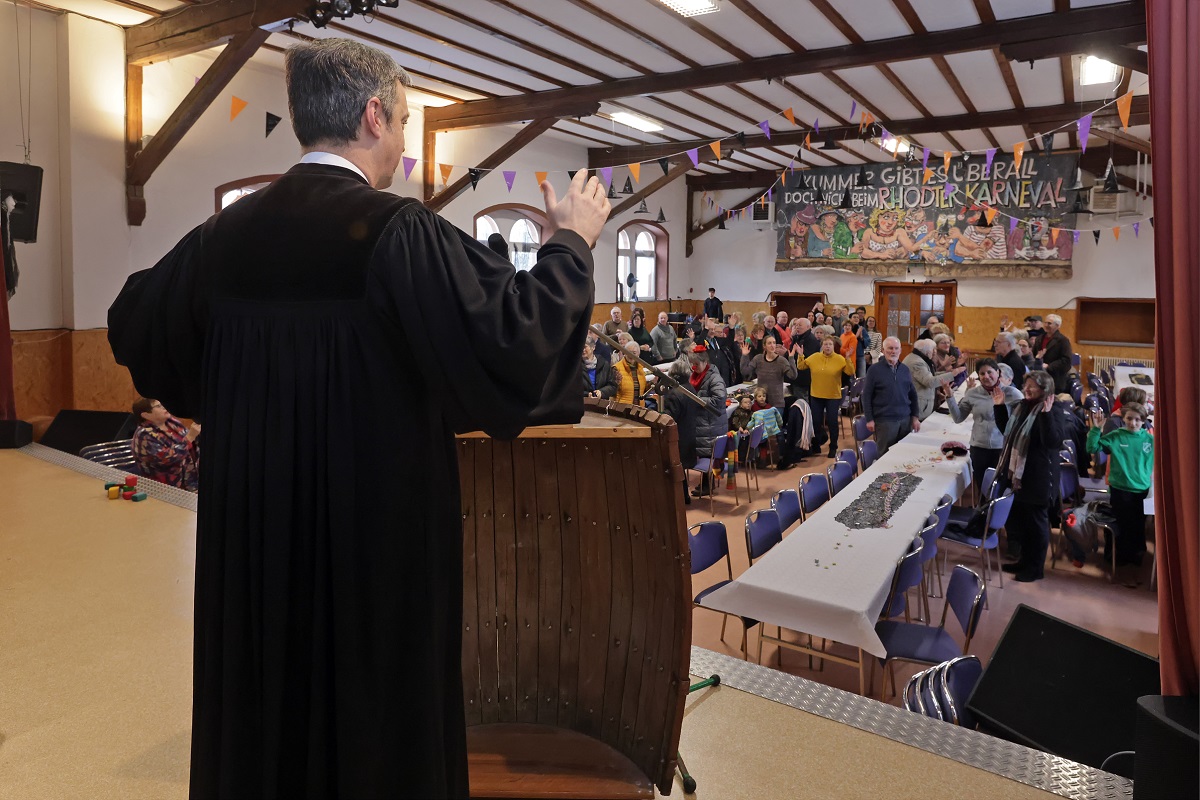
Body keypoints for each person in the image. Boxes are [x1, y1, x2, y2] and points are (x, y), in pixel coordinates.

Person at [107, 38, 611, 799]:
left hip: (256, 538)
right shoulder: (399, 233)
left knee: (264, 692)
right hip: (378, 543)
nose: (404, 142)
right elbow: (515, 338)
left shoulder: (224, 238)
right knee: (377, 712)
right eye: (405, 122)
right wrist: (571, 243)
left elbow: (137, 323)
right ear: (374, 116)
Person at [994, 371, 1066, 583]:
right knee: (1024, 523)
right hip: (1019, 476)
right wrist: (999, 407)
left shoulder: (1054, 409)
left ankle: (1035, 569)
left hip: (1039, 478)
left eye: (1033, 386)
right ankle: (1024, 561)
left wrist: (1046, 415)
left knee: (1036, 525)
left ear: (1045, 389)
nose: (1027, 389)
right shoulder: (1022, 406)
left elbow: (1052, 441)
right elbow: (1009, 433)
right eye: (1026, 385)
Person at [1086, 402, 1154, 567]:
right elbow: (1092, 447)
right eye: (1129, 418)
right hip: (1120, 488)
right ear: (1123, 418)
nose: (1133, 423)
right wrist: (1096, 429)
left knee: (1138, 525)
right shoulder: (1116, 435)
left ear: (1143, 421)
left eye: (1137, 420)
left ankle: (1135, 556)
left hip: (1141, 489)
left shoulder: (1150, 439)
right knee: (1120, 524)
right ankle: (1116, 556)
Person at [945, 359, 1022, 494]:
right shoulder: (973, 393)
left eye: (989, 372)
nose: (986, 376)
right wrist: (950, 397)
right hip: (979, 447)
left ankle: (997, 512)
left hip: (1002, 448)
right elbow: (958, 418)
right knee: (983, 487)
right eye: (982, 374)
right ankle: (984, 512)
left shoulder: (1012, 394)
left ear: (998, 373)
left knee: (1001, 487)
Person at [794, 335, 855, 457]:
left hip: (833, 395)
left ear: (834, 346)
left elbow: (850, 372)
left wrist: (848, 359)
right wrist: (800, 355)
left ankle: (833, 446)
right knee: (816, 421)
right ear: (822, 346)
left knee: (832, 422)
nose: (827, 346)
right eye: (825, 344)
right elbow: (801, 366)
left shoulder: (839, 359)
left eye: (830, 344)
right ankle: (816, 444)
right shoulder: (815, 357)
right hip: (816, 394)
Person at [861, 336, 921, 454]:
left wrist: (915, 417)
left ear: (900, 351)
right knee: (884, 455)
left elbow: (913, 394)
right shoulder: (874, 370)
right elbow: (866, 396)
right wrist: (869, 419)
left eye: (896, 348)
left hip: (905, 420)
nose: (893, 351)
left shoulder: (905, 369)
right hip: (885, 421)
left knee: (903, 454)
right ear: (883, 351)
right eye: (890, 348)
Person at [130, 397, 201, 491]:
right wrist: (190, 437)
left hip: (191, 482)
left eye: (163, 404)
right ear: (146, 415)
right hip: (165, 488)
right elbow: (168, 458)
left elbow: (193, 444)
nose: (164, 407)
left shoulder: (171, 423)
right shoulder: (144, 436)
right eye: (158, 406)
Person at [687, 346, 728, 497]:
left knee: (708, 453)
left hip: (712, 424)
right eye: (692, 364)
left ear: (705, 362)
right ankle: (706, 484)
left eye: (696, 364)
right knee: (705, 452)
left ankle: (707, 485)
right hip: (704, 423)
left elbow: (719, 399)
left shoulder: (714, 377)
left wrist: (696, 400)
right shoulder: (697, 376)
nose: (693, 367)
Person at [904, 339, 963, 420]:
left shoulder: (918, 358)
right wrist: (953, 374)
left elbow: (930, 374)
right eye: (933, 349)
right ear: (927, 351)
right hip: (918, 405)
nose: (935, 352)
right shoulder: (916, 362)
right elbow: (930, 382)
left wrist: (948, 373)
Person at [739, 336, 798, 410]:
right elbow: (745, 371)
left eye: (774, 343)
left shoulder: (782, 361)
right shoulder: (758, 359)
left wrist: (791, 358)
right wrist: (744, 355)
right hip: (761, 403)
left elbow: (793, 376)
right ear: (764, 346)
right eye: (769, 343)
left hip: (777, 403)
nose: (772, 345)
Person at [1038, 313, 1073, 394]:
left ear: (1057, 326)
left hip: (1055, 379)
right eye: (1045, 323)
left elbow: (1066, 361)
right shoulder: (1039, 339)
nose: (1046, 325)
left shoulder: (1063, 341)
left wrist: (1049, 366)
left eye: (1049, 323)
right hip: (1040, 377)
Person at [613, 341, 650, 406]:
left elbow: (643, 389)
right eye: (629, 352)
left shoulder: (641, 368)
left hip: (639, 409)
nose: (631, 355)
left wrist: (652, 383)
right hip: (622, 409)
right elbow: (612, 391)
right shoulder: (616, 368)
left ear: (638, 353)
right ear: (624, 353)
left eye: (634, 353)